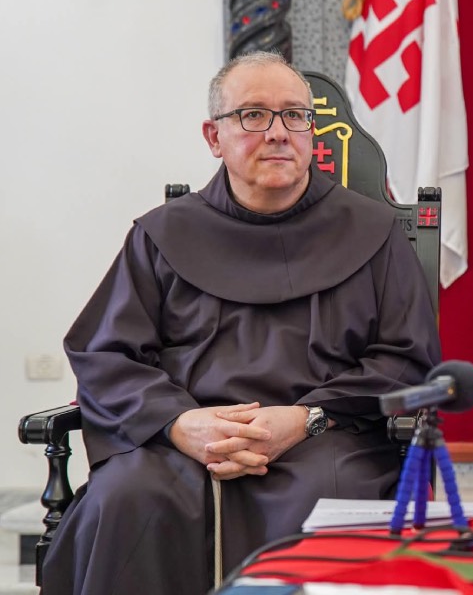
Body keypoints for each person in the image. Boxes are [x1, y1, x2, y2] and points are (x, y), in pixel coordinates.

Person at [42, 51, 442, 594]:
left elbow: (407, 358)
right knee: (127, 497)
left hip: (326, 436)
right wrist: (181, 425)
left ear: (310, 131)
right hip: (182, 441)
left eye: (294, 115)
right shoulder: (161, 235)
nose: (278, 132)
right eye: (253, 115)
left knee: (330, 497)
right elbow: (105, 353)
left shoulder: (373, 232)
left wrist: (303, 419)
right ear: (214, 136)